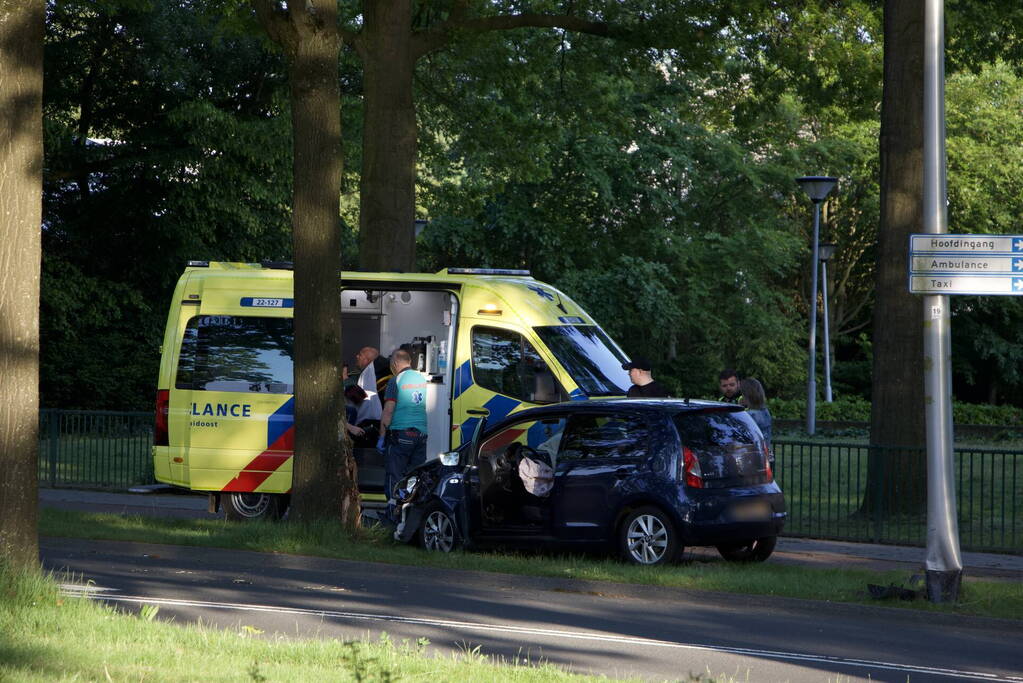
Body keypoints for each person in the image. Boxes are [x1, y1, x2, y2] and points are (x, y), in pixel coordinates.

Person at [380, 349, 429, 505]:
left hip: (401, 434)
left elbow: (388, 410)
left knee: (394, 476)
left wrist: (381, 437)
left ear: (395, 363)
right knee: (414, 477)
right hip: (421, 435)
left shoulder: (396, 380)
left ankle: (393, 513)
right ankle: (410, 512)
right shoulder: (421, 378)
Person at [739, 377, 773, 470]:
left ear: (747, 395)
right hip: (768, 455)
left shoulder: (750, 415)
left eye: (742, 394)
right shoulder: (765, 412)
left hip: (753, 459)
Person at [354, 346, 383, 424]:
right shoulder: (372, 372)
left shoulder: (368, 373)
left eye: (360, 355)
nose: (357, 356)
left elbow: (361, 398)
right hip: (377, 417)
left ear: (366, 360)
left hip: (367, 420)